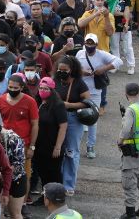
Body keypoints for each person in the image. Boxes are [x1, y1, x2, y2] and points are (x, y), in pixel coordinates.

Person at [77, 34, 117, 159]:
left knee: (92, 120)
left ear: (96, 44)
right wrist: (82, 72)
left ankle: (90, 146)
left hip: (94, 92)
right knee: (77, 117)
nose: (89, 45)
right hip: (79, 90)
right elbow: (73, 67)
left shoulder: (101, 54)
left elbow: (118, 61)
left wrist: (104, 68)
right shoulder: (79, 54)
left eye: (92, 43)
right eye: (87, 43)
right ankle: (76, 145)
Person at [55, 57, 91, 195]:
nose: (61, 72)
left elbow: (88, 102)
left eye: (65, 70)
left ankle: (69, 185)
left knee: (71, 151)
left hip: (73, 119)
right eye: (60, 69)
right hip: (57, 118)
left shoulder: (79, 84)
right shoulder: (56, 80)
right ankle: (57, 181)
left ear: (72, 70)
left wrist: (69, 105)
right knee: (57, 150)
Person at [118, 83, 139, 219]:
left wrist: (119, 141)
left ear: (126, 94)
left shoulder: (131, 110)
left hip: (131, 152)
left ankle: (130, 214)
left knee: (129, 183)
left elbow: (126, 130)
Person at [31, 77, 67, 205]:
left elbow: (63, 126)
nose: (42, 90)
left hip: (52, 146)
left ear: (52, 90)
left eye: (46, 89)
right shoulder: (38, 102)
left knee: (54, 174)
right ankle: (45, 196)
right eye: (40, 88)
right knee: (43, 173)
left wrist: (58, 146)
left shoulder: (58, 105)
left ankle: (57, 199)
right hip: (40, 145)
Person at [0, 122, 26, 219]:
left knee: (15, 213)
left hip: (16, 178)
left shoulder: (14, 139)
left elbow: (18, 164)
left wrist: (2, 175)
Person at [108, 0, 135, 74]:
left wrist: (127, 23)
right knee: (114, 45)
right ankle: (116, 65)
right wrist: (123, 13)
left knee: (127, 46)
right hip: (113, 23)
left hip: (124, 23)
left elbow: (127, 9)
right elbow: (111, 11)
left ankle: (131, 65)